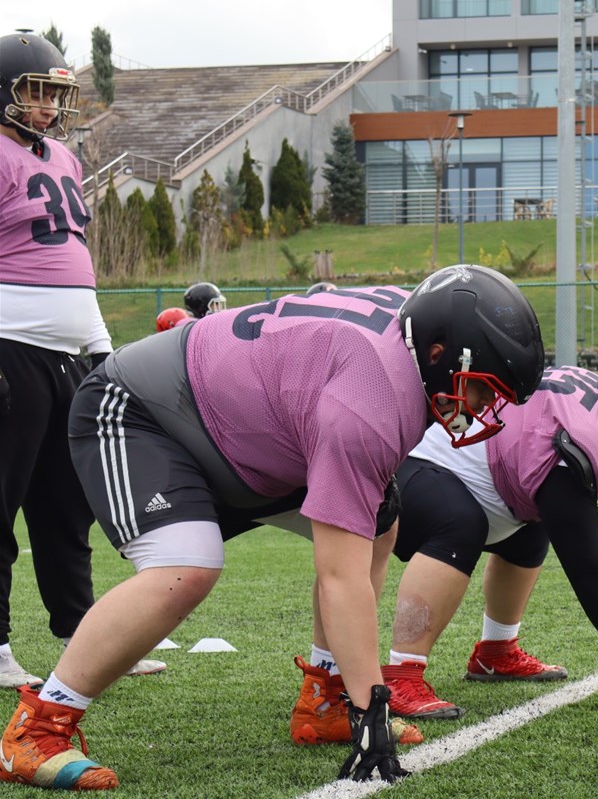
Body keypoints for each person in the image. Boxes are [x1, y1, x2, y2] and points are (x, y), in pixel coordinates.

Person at [0, 266, 545, 790]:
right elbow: (340, 577)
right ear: (438, 354)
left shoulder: (413, 335)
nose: (480, 407)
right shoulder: (374, 397)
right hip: (145, 411)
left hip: (244, 431)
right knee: (186, 566)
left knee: (378, 519)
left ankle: (325, 698)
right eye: (481, 388)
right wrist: (372, 707)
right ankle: (37, 729)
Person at [290, 354, 598, 731]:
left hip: (458, 469)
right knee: (461, 523)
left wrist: (569, 520)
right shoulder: (578, 440)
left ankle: (496, 652)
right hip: (412, 468)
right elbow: (589, 572)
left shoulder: (589, 407)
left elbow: (537, 475)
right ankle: (401, 672)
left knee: (531, 525)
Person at [0, 33, 164, 692]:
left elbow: (75, 264)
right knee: (2, 504)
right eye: (35, 92)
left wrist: (103, 352)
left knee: (68, 506)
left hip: (68, 355)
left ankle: (81, 636)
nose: (47, 106)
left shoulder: (63, 156)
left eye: (54, 93)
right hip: (10, 348)